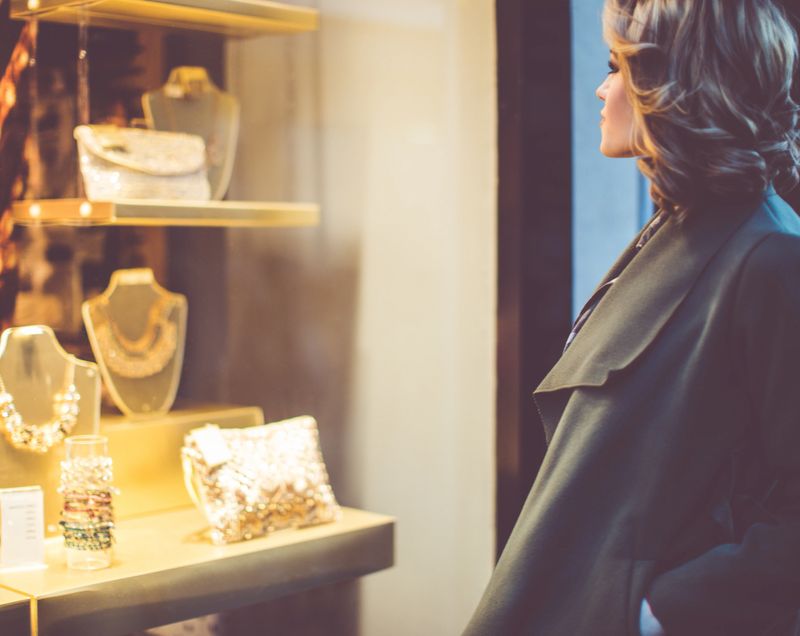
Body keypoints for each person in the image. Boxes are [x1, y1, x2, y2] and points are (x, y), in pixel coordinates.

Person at [463, 0, 800, 634]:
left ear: (676, 88)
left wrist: (655, 611)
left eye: (618, 68)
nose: (601, 86)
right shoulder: (679, 227)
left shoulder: (769, 257)